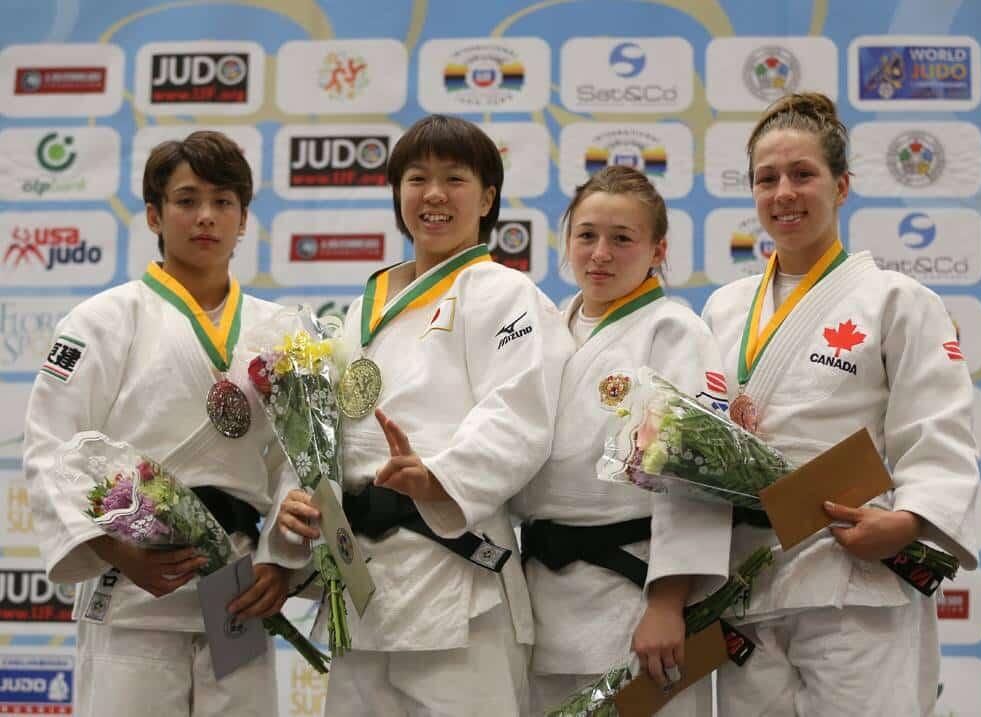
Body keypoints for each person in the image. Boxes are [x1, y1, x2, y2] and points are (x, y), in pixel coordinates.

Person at [277, 114, 573, 716]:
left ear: (487, 197)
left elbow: (519, 412)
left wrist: (438, 475)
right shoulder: (365, 305)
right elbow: (319, 430)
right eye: (416, 178)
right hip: (362, 579)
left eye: (454, 179)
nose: (433, 195)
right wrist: (302, 496)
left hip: (455, 577)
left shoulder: (504, 294)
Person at [702, 92, 980, 716]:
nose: (784, 193)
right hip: (749, 584)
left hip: (854, 578)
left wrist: (909, 523)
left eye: (803, 174)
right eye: (766, 179)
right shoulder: (723, 308)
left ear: (843, 185)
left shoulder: (896, 300)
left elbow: (937, 432)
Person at [22, 131, 307, 717]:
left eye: (223, 201)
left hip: (236, 583)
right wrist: (113, 550)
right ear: (154, 214)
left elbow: (298, 463)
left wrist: (279, 558)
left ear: (244, 219)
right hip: (133, 581)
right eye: (186, 200)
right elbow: (52, 450)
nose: (206, 217)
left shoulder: (281, 333)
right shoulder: (101, 320)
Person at [512, 165, 732, 716]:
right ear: (566, 242)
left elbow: (695, 476)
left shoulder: (673, 331)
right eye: (586, 236)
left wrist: (667, 601)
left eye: (622, 239)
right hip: (544, 594)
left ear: (658, 250)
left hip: (634, 597)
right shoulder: (547, 332)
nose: (600, 254)